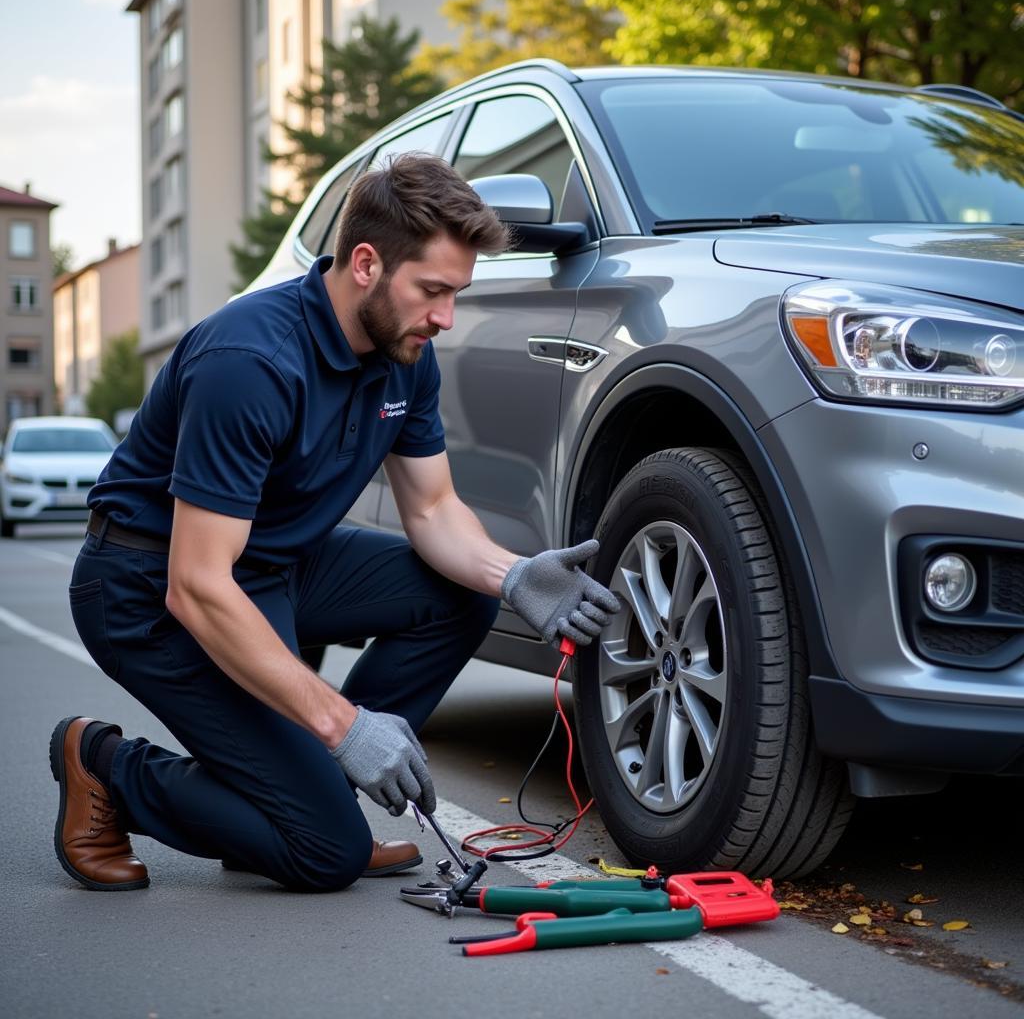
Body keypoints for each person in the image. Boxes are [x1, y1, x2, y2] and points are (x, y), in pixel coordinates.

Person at [52, 153, 619, 894]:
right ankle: (108, 767)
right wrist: (346, 726)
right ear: (364, 264)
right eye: (433, 291)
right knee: (327, 854)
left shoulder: (404, 352)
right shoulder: (249, 362)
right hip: (147, 586)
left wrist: (512, 573)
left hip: (274, 565)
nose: (445, 318)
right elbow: (196, 586)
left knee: (462, 594)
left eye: (457, 294)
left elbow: (434, 510)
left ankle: (289, 797)